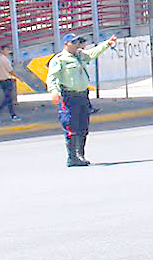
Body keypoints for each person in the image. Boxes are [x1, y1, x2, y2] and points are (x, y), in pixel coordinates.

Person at [47, 32, 117, 167]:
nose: (77, 45)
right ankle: (72, 157)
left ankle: (80, 155)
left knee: (83, 126)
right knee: (70, 125)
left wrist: (107, 43)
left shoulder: (80, 55)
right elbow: (52, 77)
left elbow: (93, 53)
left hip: (83, 95)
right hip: (69, 96)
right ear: (66, 44)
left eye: (78, 42)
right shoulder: (60, 59)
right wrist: (54, 92)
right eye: (74, 43)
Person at [0, 44, 21, 124]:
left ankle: (13, 115)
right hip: (7, 80)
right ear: (3, 50)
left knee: (9, 98)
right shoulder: (5, 60)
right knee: (8, 98)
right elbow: (10, 70)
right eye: (6, 50)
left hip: (0, 80)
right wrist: (18, 77)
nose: (8, 52)